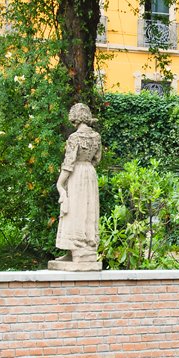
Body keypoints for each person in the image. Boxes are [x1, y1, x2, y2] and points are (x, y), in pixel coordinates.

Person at [54, 103, 101, 265]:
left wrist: (60, 183)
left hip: (76, 174)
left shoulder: (74, 138)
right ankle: (77, 250)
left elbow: (69, 163)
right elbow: (97, 159)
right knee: (87, 209)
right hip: (90, 173)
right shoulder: (96, 137)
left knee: (75, 210)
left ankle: (77, 248)